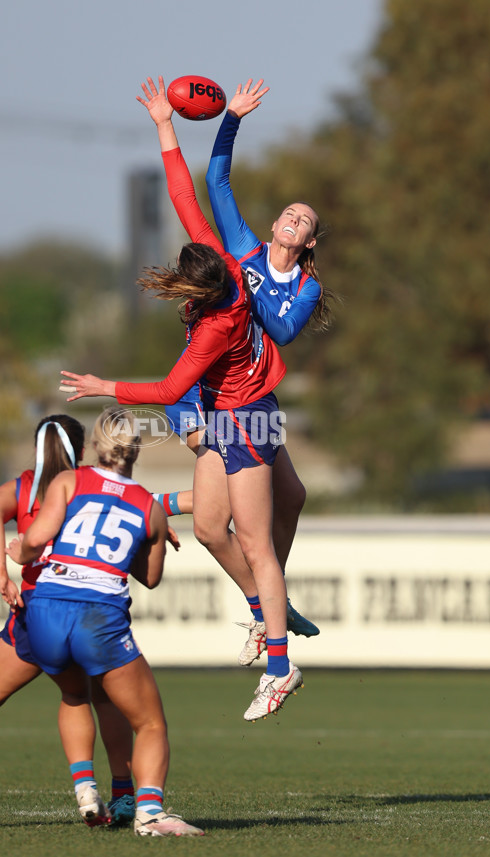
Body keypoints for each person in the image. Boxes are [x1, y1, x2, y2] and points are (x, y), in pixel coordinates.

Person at [59, 75, 304, 722]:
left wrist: (101, 386)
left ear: (201, 292)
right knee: (205, 526)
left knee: (256, 545)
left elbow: (170, 389)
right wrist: (164, 124)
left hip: (246, 419)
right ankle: (267, 615)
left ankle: (281, 665)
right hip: (230, 416)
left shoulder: (219, 322)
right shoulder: (221, 259)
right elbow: (183, 192)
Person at [165, 78, 334, 667]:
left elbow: (283, 331)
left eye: (303, 218)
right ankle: (266, 610)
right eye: (288, 211)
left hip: (249, 400)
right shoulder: (243, 248)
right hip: (204, 397)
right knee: (219, 523)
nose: (292, 216)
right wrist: (230, 118)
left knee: (291, 495)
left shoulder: (304, 287)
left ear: (309, 241)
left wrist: (245, 287)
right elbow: (214, 181)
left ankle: (271, 600)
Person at [5, 406, 204, 836]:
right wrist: (146, 537)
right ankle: (150, 813)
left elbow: (36, 540)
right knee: (149, 722)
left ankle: (85, 790)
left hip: (46, 610)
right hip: (99, 614)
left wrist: (17, 552)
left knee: (75, 696)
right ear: (135, 451)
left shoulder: (68, 481)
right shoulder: (148, 507)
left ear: (95, 446)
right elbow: (150, 578)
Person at [0, 415, 136, 829]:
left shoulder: (23, 488)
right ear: (82, 450)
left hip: (36, 615)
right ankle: (120, 796)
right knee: (96, 697)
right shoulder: (86, 482)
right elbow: (142, 503)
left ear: (35, 448)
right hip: (91, 612)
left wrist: (0, 576)